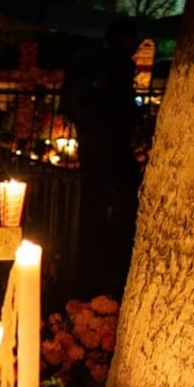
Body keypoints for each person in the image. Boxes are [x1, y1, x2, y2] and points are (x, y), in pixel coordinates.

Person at [62, 18, 143, 299]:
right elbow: (120, 103)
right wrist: (133, 115)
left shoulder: (89, 62)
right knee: (128, 193)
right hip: (111, 139)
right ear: (125, 39)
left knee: (94, 193)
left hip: (92, 139)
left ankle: (89, 251)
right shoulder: (118, 64)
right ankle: (117, 251)